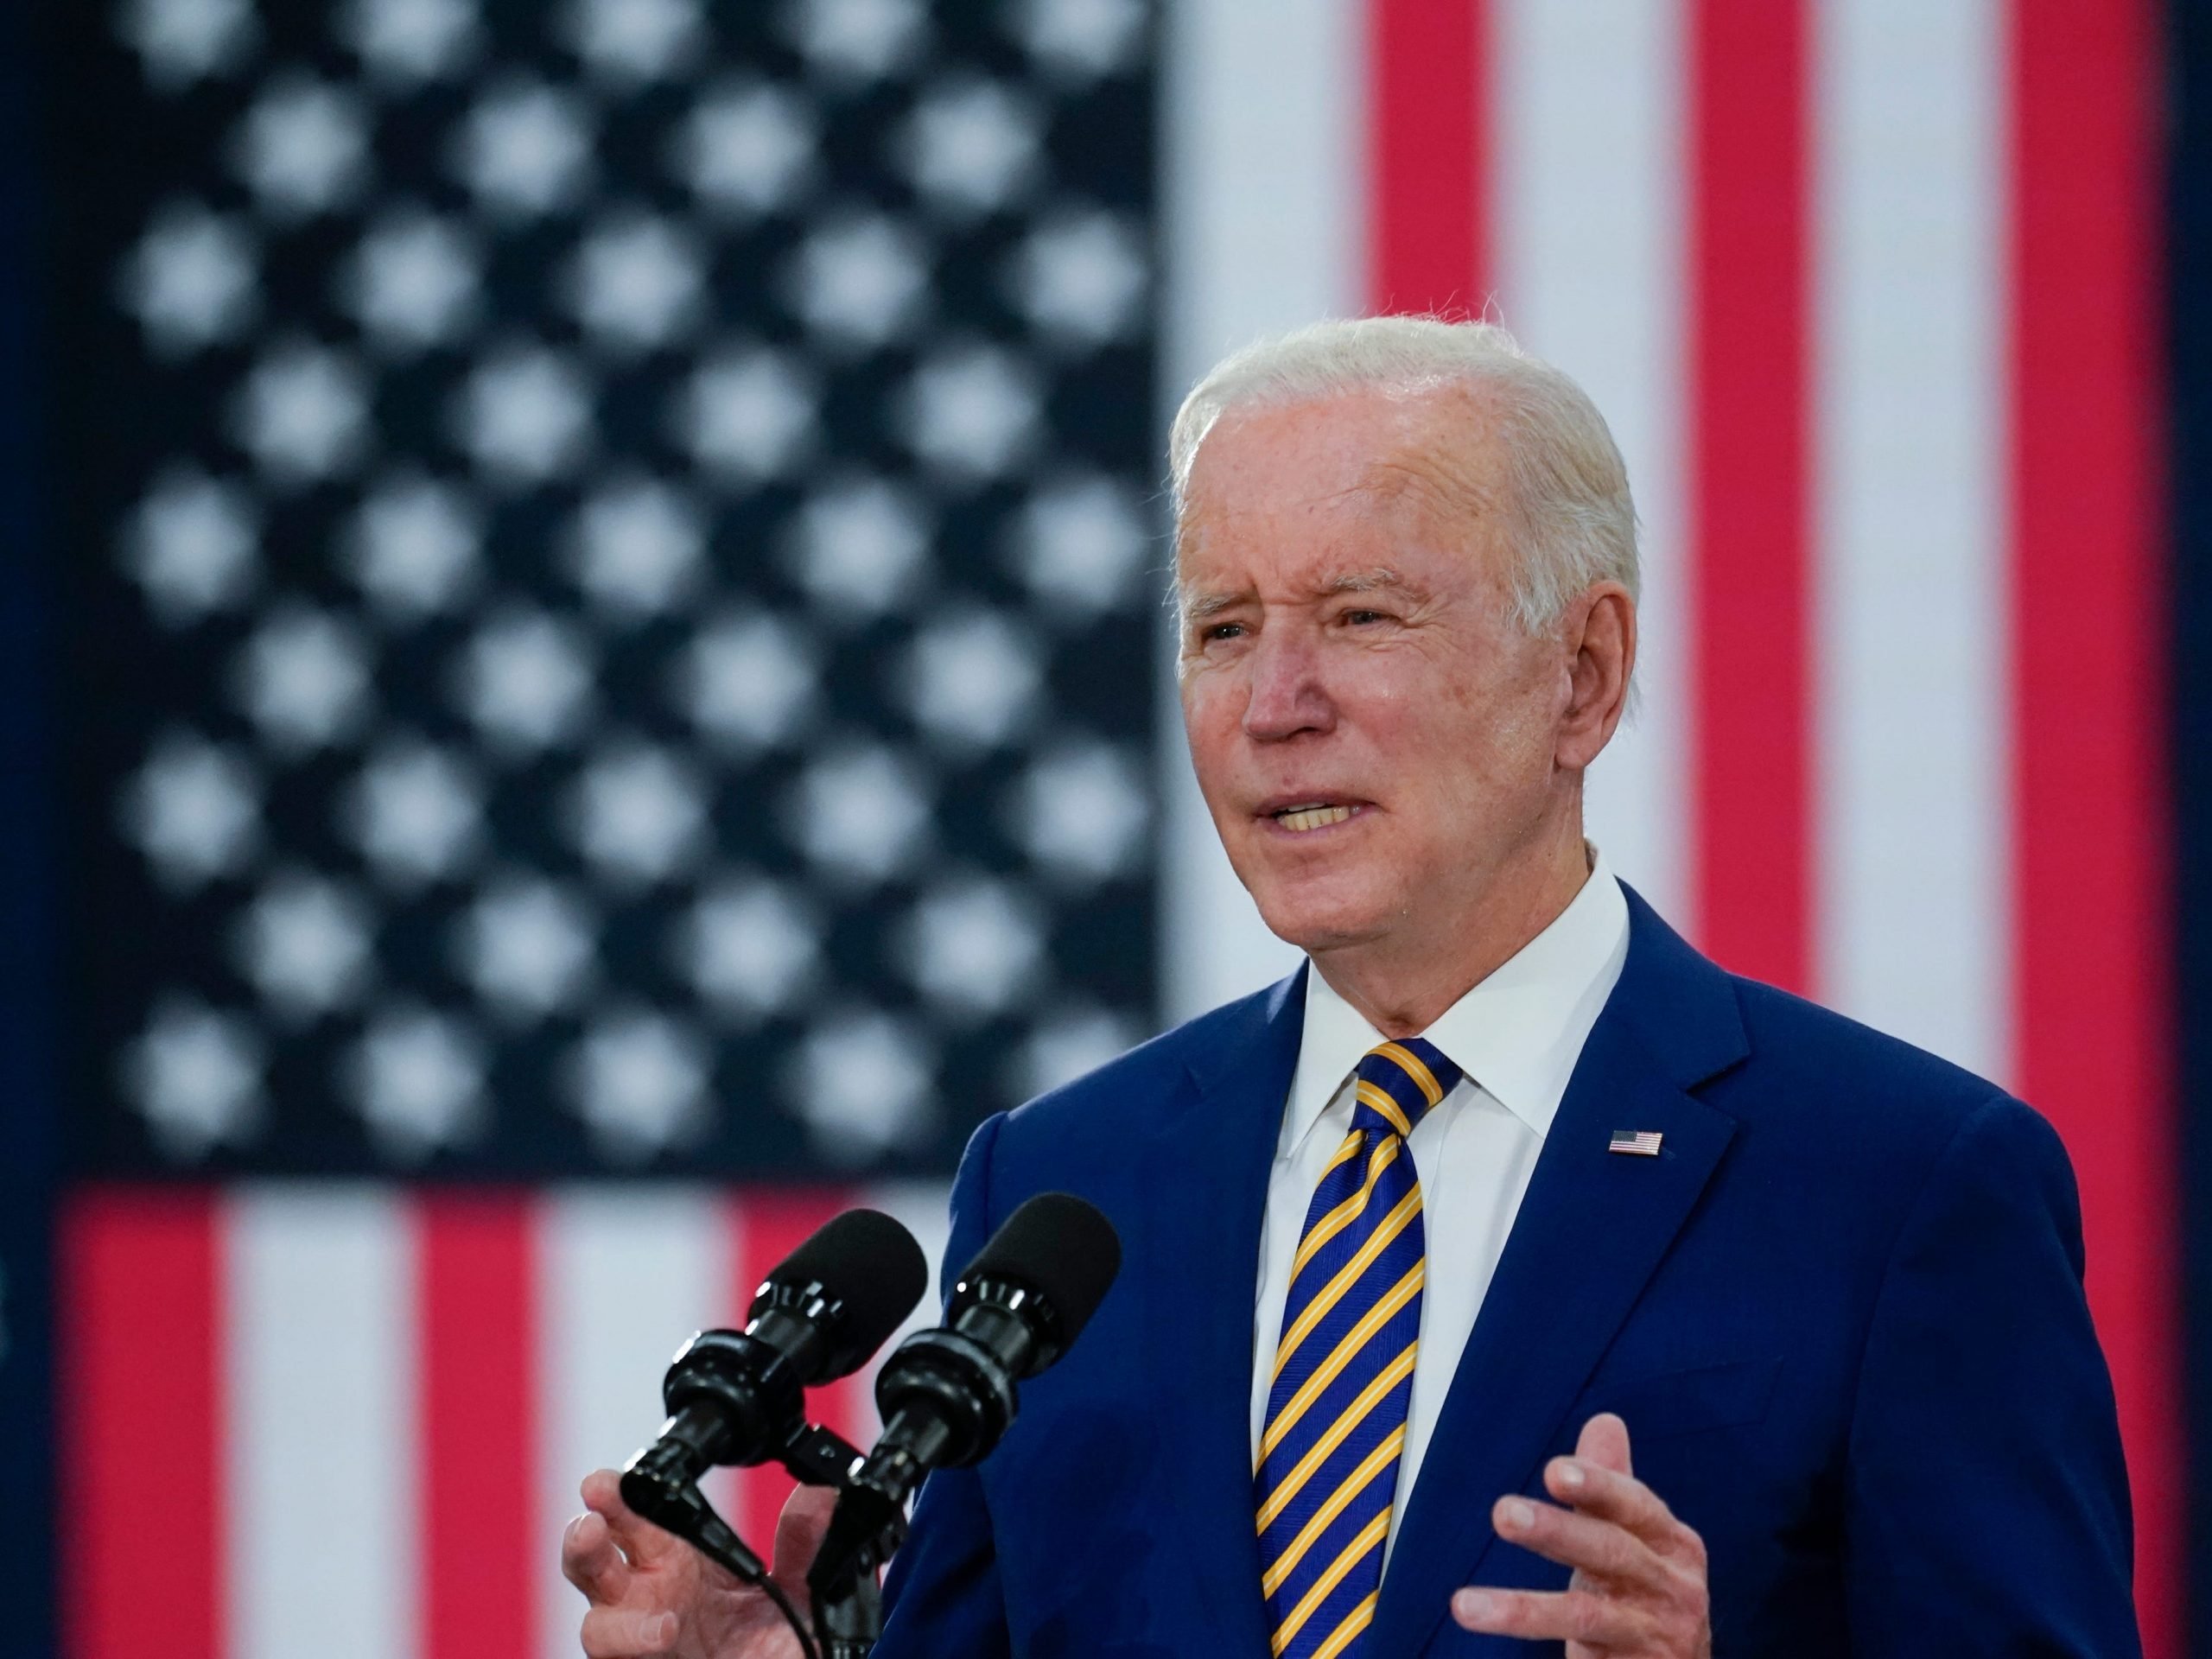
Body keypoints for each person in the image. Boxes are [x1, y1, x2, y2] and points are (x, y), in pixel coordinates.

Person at [563, 316, 2139, 1657]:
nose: (1275, 704)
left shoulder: (1904, 1186)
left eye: (1363, 617)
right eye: (1224, 626)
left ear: (1580, 679)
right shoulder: (1062, 1189)